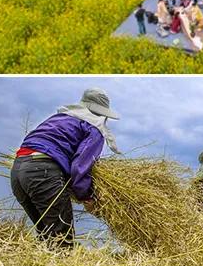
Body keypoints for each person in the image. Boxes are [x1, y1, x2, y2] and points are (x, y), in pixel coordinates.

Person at [11, 89, 121, 248]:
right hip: (42, 171)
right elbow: (80, 166)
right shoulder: (93, 128)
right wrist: (86, 197)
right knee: (62, 240)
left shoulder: (60, 117)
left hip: (18, 170)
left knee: (47, 237)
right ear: (101, 114)